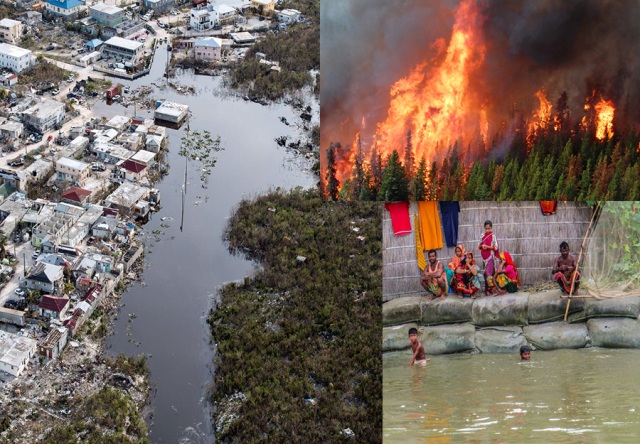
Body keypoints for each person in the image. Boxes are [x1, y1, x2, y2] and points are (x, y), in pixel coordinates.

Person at [479, 220, 499, 295]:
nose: (487, 230)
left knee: (488, 273)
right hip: (484, 258)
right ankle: (487, 290)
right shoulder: (482, 235)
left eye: (489, 228)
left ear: (491, 228)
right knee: (486, 273)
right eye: (486, 228)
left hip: (490, 256)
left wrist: (488, 247)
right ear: (484, 228)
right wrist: (482, 246)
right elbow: (479, 246)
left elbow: (496, 247)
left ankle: (492, 289)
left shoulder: (493, 236)